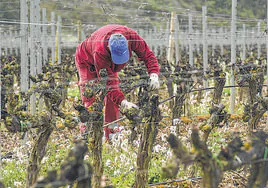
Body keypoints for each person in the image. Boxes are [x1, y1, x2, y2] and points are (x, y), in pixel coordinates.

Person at [75, 24, 160, 140]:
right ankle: (88, 134)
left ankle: (112, 133)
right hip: (86, 60)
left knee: (112, 101)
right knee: (90, 96)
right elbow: (108, 86)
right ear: (110, 49)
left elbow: (147, 54)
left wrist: (154, 74)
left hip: (108, 62)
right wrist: (124, 102)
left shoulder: (131, 36)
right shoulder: (100, 52)